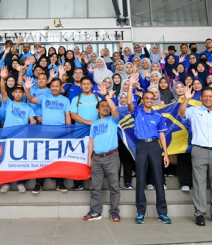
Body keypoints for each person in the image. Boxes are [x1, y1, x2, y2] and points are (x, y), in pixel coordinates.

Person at [177, 84, 212, 227]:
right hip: (199, 150)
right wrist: (186, 99)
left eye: (210, 96)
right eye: (205, 96)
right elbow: (181, 113)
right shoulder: (194, 111)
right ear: (201, 98)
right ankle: (199, 213)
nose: (208, 98)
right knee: (199, 184)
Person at [126, 73, 171, 225]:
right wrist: (131, 85)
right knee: (140, 179)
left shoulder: (159, 116)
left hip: (154, 146)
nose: (150, 100)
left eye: (152, 98)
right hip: (141, 146)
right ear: (143, 100)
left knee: (159, 179)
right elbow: (129, 103)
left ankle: (162, 213)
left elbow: (163, 136)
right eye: (147, 98)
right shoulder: (137, 111)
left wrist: (165, 153)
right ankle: (140, 212)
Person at [26, 77, 72, 193]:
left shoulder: (65, 100)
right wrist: (27, 89)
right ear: (50, 87)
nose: (54, 88)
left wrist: (68, 133)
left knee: (59, 159)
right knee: (43, 158)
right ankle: (39, 183)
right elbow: (31, 99)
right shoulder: (44, 97)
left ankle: (59, 183)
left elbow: (67, 117)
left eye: (57, 86)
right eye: (52, 86)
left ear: (61, 87)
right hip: (45, 132)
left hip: (60, 133)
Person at [83, 85, 121, 222]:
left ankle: (114, 211)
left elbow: (115, 109)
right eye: (102, 106)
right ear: (97, 109)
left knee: (114, 186)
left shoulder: (113, 120)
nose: (106, 108)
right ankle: (95, 211)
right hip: (97, 158)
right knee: (95, 187)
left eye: (107, 106)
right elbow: (91, 142)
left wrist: (106, 96)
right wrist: (89, 158)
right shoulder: (94, 124)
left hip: (111, 157)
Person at [69, 75, 100, 191]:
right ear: (81, 86)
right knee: (79, 157)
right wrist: (86, 122)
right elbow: (73, 115)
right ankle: (78, 183)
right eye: (84, 84)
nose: (86, 86)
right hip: (79, 133)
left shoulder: (98, 98)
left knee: (95, 157)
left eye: (88, 84)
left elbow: (103, 114)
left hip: (95, 133)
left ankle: (95, 183)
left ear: (92, 85)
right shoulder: (76, 99)